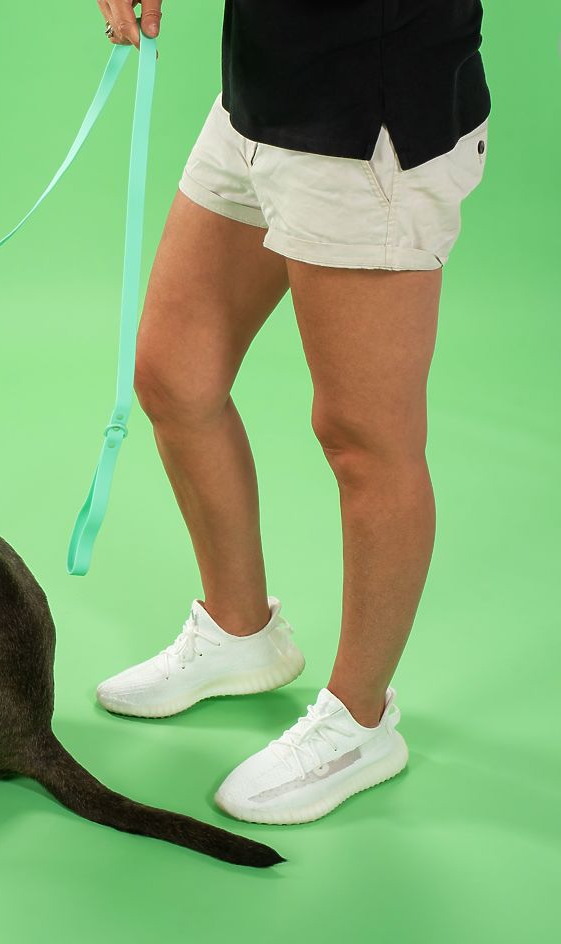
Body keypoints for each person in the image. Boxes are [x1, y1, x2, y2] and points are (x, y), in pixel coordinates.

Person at [92, 0, 490, 824]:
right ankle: (240, 633)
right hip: (265, 93)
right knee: (174, 378)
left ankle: (360, 724)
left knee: (364, 442)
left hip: (371, 119)